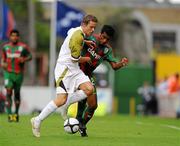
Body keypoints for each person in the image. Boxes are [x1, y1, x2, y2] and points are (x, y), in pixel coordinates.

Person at [30, 14, 98, 138]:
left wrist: (85, 41)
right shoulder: (78, 36)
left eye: (94, 28)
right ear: (84, 24)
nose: (93, 30)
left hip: (74, 69)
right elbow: (74, 58)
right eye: (91, 27)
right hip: (65, 69)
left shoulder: (77, 31)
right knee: (61, 99)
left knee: (89, 89)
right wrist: (87, 58)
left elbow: (69, 32)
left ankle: (67, 103)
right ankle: (37, 120)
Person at [59, 25, 129, 137]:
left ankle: (81, 124)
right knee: (83, 98)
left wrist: (121, 63)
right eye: (103, 37)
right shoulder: (89, 38)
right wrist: (84, 43)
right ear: (100, 33)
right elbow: (74, 42)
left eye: (107, 39)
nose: (104, 40)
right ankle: (71, 111)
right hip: (76, 72)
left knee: (93, 105)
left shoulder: (107, 50)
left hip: (88, 75)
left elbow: (114, 66)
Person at [0, 29, 32, 122]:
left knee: (17, 94)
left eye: (16, 36)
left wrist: (24, 59)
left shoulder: (23, 47)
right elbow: (3, 59)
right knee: (9, 91)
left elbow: (30, 56)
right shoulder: (5, 47)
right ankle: (10, 115)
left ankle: (16, 113)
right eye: (12, 35)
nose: (14, 37)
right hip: (8, 73)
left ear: (18, 37)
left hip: (19, 74)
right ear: (10, 37)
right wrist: (2, 63)